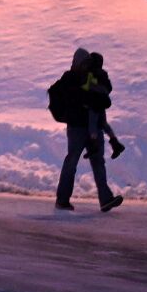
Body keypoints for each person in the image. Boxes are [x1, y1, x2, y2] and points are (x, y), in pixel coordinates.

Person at [49, 46, 123, 212]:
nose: (85, 66)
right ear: (76, 63)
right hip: (77, 129)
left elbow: (103, 95)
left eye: (87, 63)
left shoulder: (90, 77)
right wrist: (90, 98)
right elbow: (78, 98)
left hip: (94, 127)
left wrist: (96, 97)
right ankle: (62, 200)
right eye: (83, 63)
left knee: (98, 162)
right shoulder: (69, 79)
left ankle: (105, 199)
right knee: (72, 161)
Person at [87, 51, 126, 160]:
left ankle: (93, 145)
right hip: (102, 103)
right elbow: (109, 88)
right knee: (104, 124)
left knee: (92, 123)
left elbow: (87, 87)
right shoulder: (104, 73)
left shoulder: (91, 73)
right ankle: (115, 143)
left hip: (94, 103)